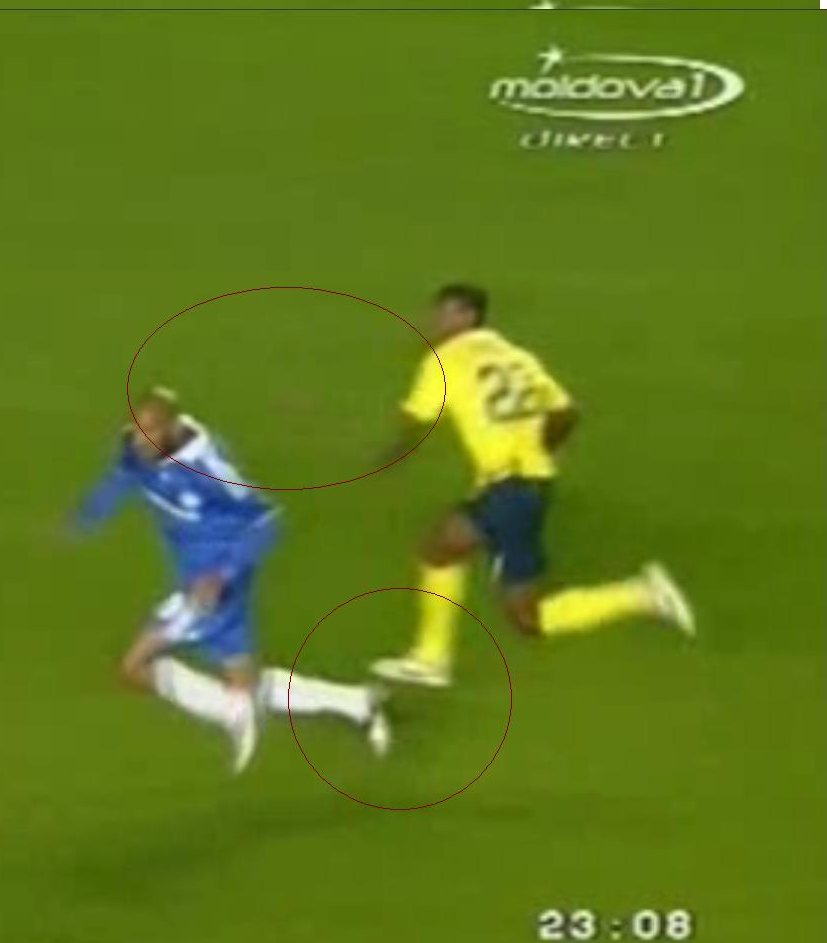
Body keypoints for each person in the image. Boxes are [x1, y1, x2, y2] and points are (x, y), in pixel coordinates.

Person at [371, 284, 695, 689]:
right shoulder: (514, 355)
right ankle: (431, 658)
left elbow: (415, 422)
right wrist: (541, 452)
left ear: (469, 316)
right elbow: (566, 412)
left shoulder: (446, 360)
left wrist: (387, 459)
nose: (435, 322)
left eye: (446, 313)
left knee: (528, 618)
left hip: (511, 492)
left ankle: (641, 595)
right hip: (521, 484)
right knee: (441, 549)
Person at [74, 387, 390, 772]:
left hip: (213, 586)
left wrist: (221, 575)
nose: (140, 440)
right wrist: (85, 518)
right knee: (245, 680)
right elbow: (122, 474)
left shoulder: (208, 465)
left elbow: (266, 520)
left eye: (150, 431)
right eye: (136, 429)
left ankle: (235, 714)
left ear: (171, 427)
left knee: (134, 667)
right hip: (196, 580)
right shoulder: (136, 448)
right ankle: (356, 703)